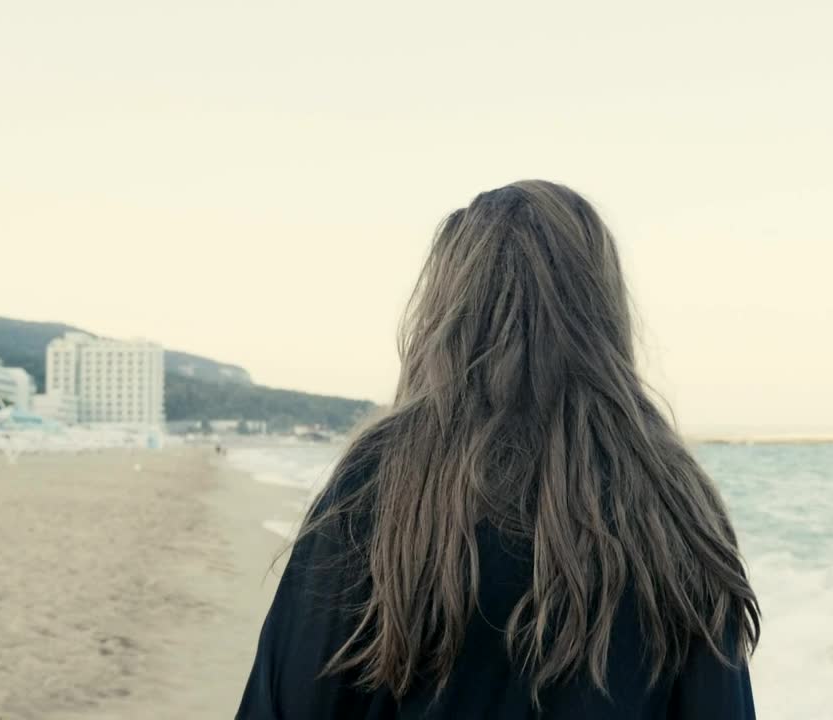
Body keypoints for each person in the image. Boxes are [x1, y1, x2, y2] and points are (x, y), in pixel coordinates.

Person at [237, 180, 760, 719]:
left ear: (449, 307)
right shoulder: (673, 498)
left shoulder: (384, 479)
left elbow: (283, 704)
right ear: (602, 307)